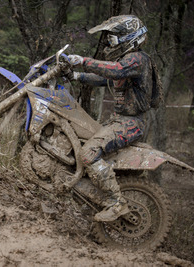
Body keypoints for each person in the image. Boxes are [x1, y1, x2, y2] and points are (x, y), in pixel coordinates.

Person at [67, 15, 161, 222]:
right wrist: (75, 76)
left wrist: (83, 61)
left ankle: (116, 202)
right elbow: (105, 78)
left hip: (130, 123)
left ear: (129, 38)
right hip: (119, 120)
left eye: (113, 39)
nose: (110, 43)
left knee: (88, 152)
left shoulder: (138, 59)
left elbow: (116, 71)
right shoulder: (128, 61)